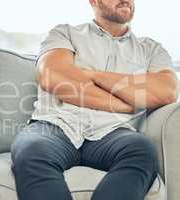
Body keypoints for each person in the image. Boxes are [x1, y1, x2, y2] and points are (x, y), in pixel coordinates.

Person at [11, 0, 179, 200]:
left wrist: (90, 74)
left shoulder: (151, 49)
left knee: (142, 151)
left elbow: (167, 91)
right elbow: (54, 78)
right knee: (31, 150)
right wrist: (126, 100)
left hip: (114, 132)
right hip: (56, 125)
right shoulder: (65, 33)